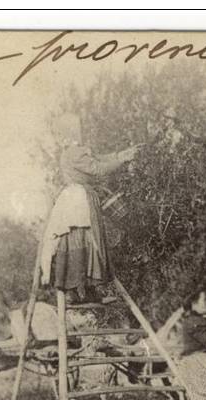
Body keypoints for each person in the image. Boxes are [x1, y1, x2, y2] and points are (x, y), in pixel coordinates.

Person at [39, 112, 141, 303]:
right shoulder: (74, 152)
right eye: (78, 129)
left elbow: (99, 158)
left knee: (79, 240)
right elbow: (98, 168)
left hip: (76, 199)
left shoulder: (74, 151)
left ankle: (82, 290)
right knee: (85, 239)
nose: (81, 132)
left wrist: (121, 155)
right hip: (79, 200)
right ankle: (77, 289)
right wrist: (122, 160)